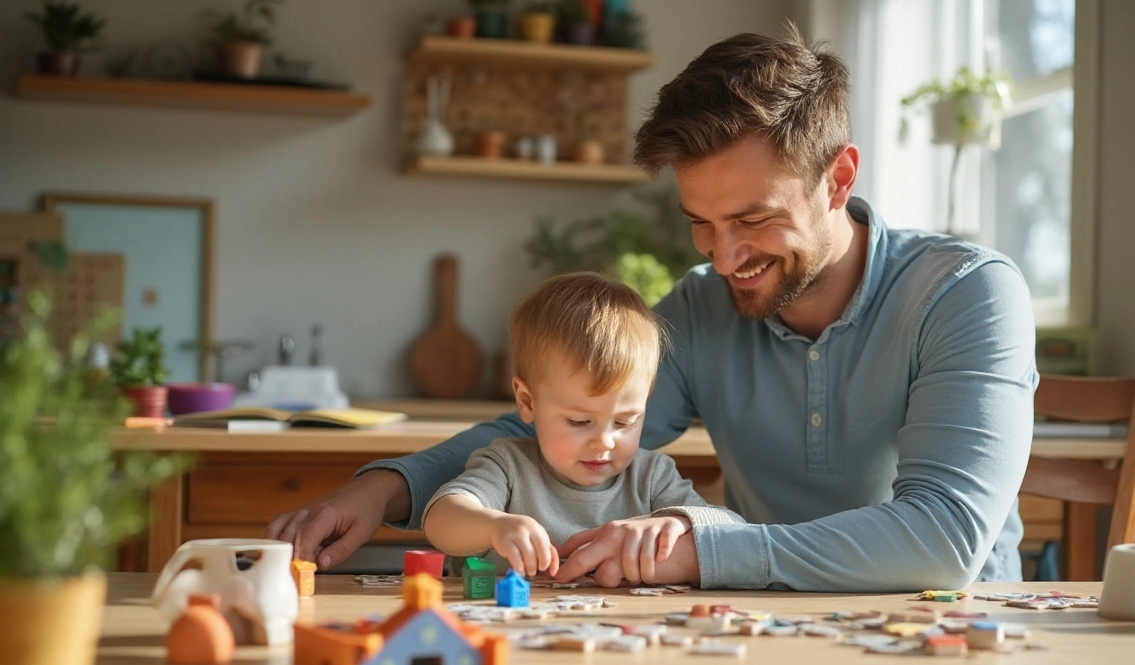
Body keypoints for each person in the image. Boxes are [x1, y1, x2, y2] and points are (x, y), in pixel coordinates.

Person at [267, 26, 1037, 592]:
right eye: (702, 221)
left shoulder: (966, 294)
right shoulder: (703, 308)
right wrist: (384, 489)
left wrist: (699, 550)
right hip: (763, 630)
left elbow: (943, 540)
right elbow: (539, 427)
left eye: (753, 219)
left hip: (950, 634)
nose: (724, 257)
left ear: (838, 180)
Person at [421, 272, 742, 578]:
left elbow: (734, 531)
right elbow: (441, 520)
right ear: (528, 401)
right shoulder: (507, 467)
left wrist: (681, 520)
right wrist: (493, 527)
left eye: (625, 421)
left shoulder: (652, 478)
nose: (604, 441)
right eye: (580, 421)